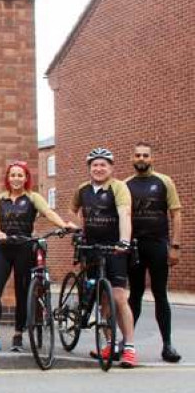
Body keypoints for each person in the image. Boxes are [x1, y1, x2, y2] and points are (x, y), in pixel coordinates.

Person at [0, 161, 75, 352]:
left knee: (22, 294)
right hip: (4, 249)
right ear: (8, 177)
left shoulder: (33, 198)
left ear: (26, 178)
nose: (16, 179)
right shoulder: (0, 199)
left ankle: (18, 335)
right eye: (13, 175)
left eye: (20, 175)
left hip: (24, 249)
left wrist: (63, 225)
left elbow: (48, 212)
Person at [72, 147, 138, 368]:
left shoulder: (119, 187)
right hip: (91, 248)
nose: (98, 169)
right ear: (89, 168)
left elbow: (124, 215)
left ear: (111, 167)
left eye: (103, 165)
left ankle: (128, 347)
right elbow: (76, 211)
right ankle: (109, 343)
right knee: (103, 301)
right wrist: (80, 233)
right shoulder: (82, 190)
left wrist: (125, 241)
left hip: (115, 248)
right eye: (94, 165)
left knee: (119, 297)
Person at [125, 142, 182, 363]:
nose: (141, 158)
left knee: (160, 295)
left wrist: (175, 246)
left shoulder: (164, 181)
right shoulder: (125, 184)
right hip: (134, 247)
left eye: (145, 155)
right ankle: (126, 343)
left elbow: (176, 214)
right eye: (138, 155)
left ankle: (167, 345)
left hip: (158, 245)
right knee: (134, 296)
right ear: (132, 158)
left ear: (152, 159)